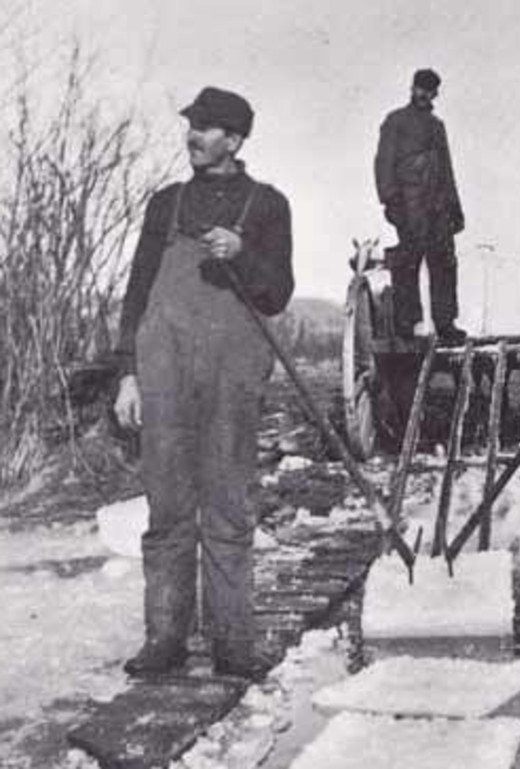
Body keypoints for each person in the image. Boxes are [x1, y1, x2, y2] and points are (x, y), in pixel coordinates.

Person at [113, 86, 294, 681]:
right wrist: (128, 376)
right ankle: (165, 640)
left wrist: (243, 253)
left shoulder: (267, 205)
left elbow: (277, 293)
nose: (194, 134)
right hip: (162, 369)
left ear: (235, 141)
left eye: (208, 126)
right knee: (167, 508)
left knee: (227, 507)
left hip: (230, 377)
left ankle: (232, 647)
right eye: (192, 122)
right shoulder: (166, 204)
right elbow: (139, 292)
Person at [374, 68, 467, 346]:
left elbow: (446, 169)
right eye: (421, 88)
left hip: (437, 208)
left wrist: (455, 208)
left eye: (431, 90)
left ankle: (446, 323)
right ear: (412, 88)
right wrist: (391, 200)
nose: (425, 94)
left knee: (445, 263)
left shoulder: (437, 127)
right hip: (409, 205)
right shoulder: (395, 122)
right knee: (407, 263)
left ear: (436, 93)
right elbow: (383, 163)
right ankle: (406, 324)